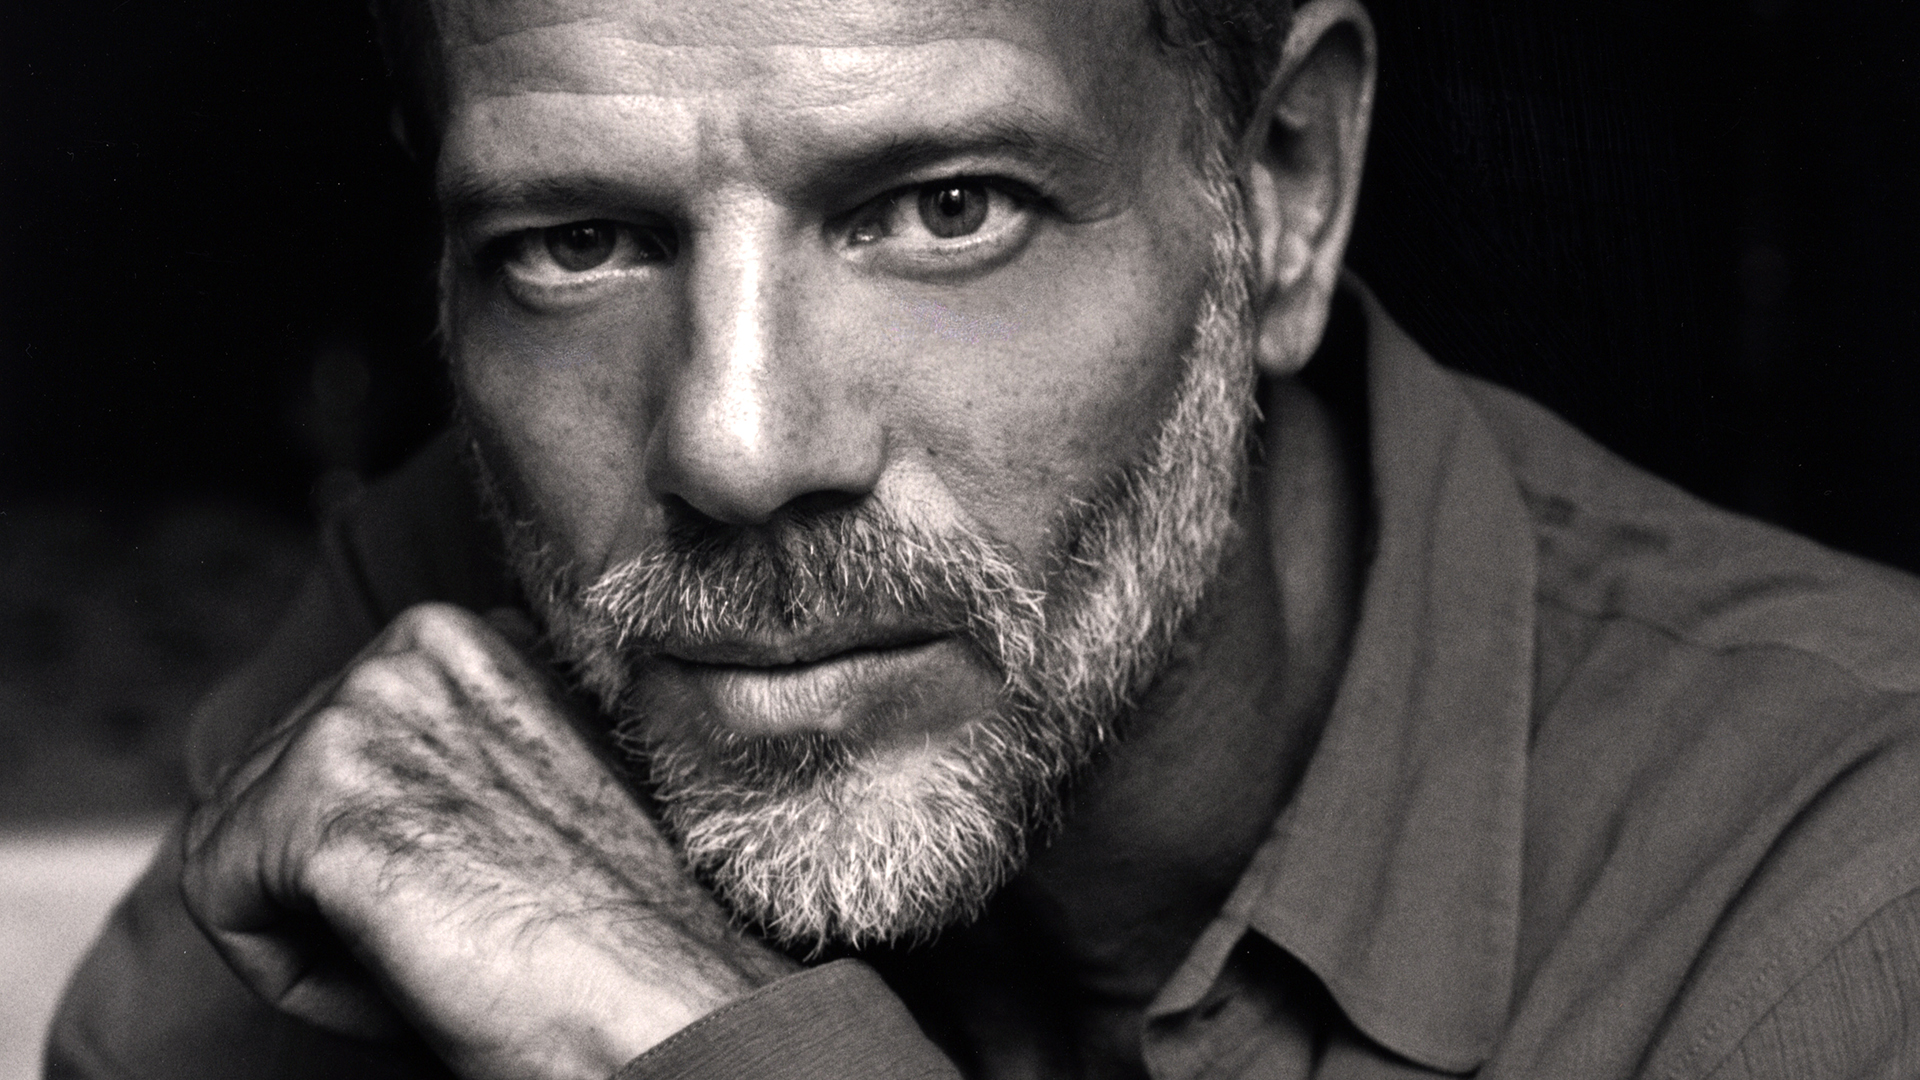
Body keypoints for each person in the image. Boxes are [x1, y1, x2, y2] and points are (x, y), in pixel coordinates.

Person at [44, 0, 1920, 1076]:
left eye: (946, 209)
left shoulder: (1842, 906)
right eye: (578, 244)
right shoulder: (442, 638)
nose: (734, 447)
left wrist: (686, 1039)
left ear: (1283, 186)